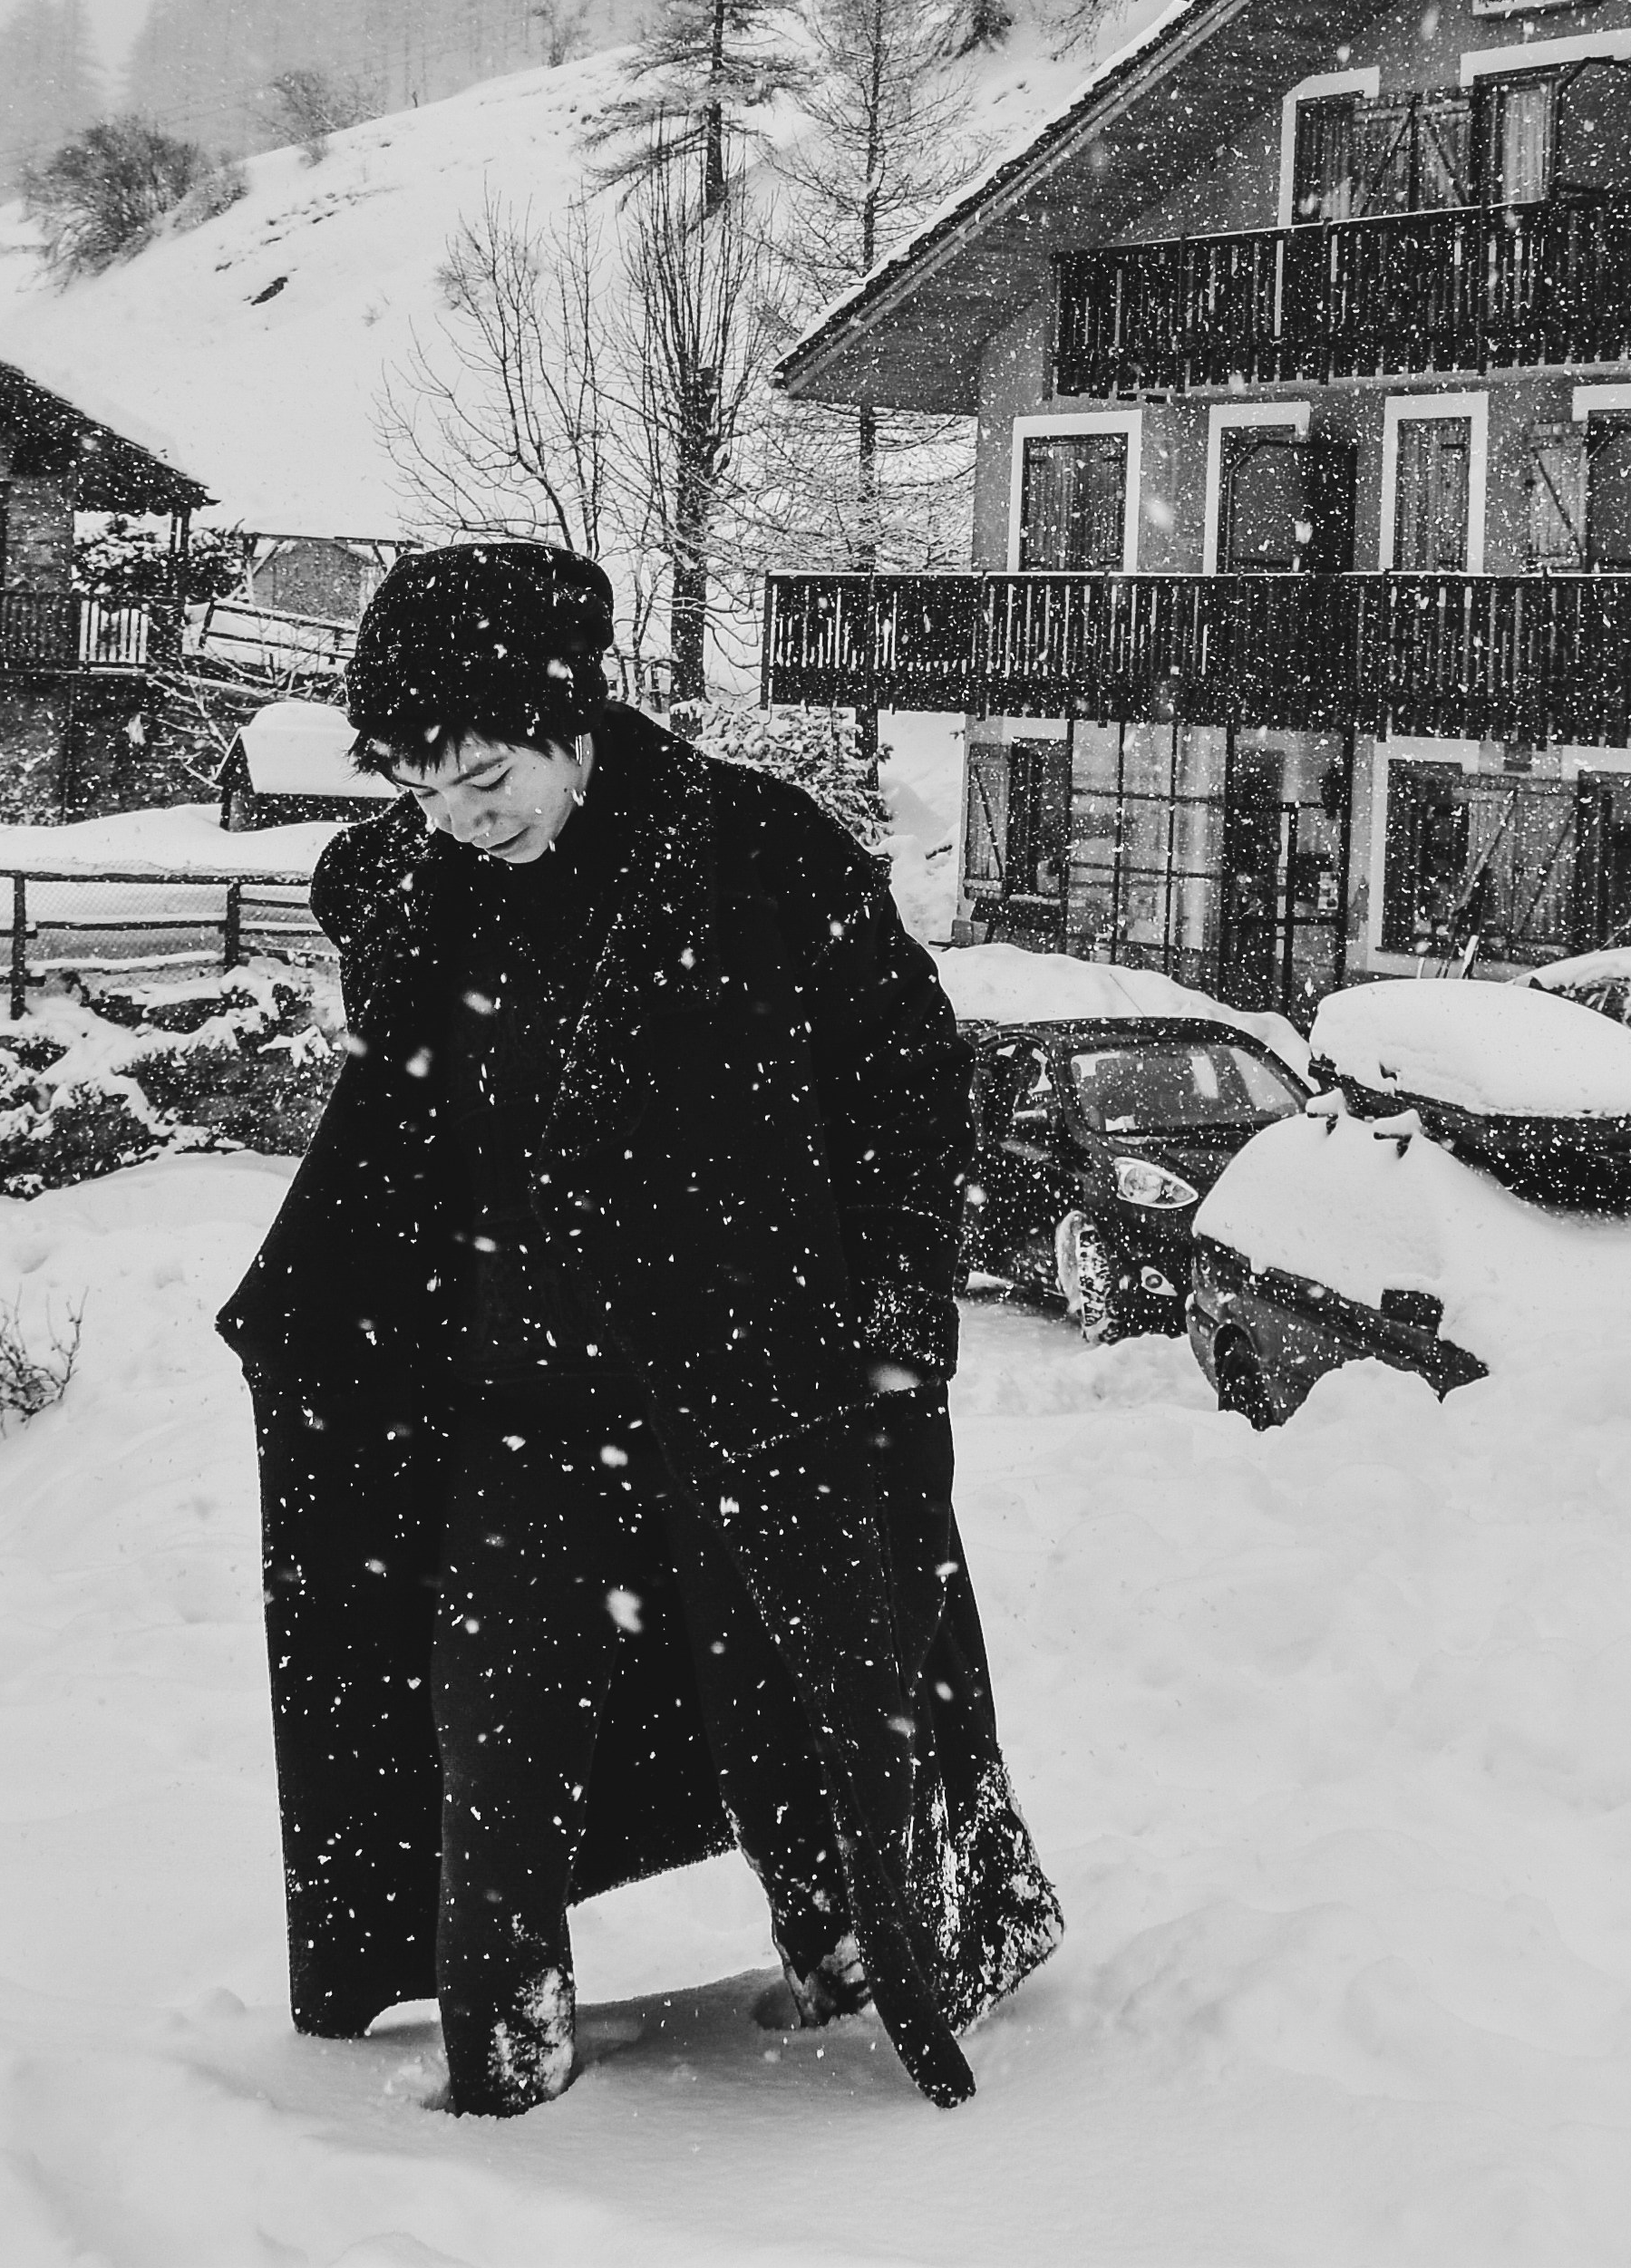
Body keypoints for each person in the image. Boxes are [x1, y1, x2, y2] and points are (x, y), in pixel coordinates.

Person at [213, 540, 1061, 2117]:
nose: (460, 813)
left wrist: (892, 1302)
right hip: (516, 1393)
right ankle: (506, 2060)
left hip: (757, 1380)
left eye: (484, 774)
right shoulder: (419, 878)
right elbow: (386, 995)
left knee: (813, 1715)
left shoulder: (753, 848)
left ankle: (881, 1958)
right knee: (492, 1735)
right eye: (421, 784)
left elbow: (907, 1074)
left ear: (571, 717)